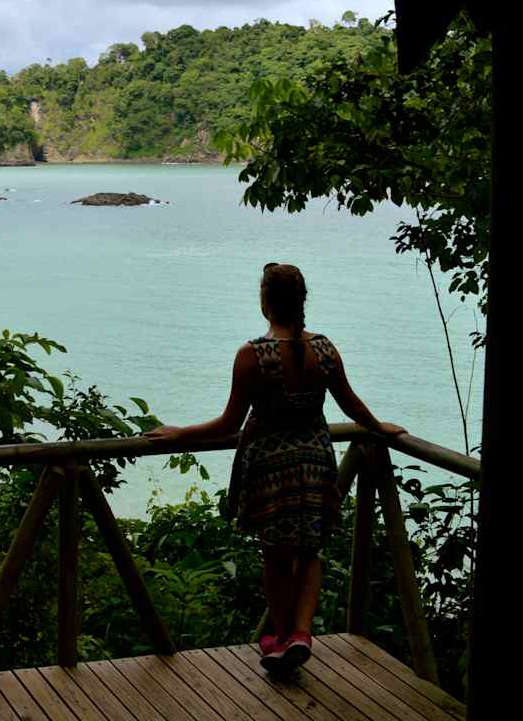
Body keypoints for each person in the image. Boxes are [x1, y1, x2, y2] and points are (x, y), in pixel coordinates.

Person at [146, 262, 405, 672]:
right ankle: (302, 632)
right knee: (310, 549)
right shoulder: (324, 349)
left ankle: (282, 636)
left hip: (271, 467)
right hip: (316, 460)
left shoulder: (253, 355)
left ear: (265, 301)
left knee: (276, 555)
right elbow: (351, 404)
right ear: (301, 301)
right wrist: (379, 427)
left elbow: (228, 423)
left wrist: (179, 434)